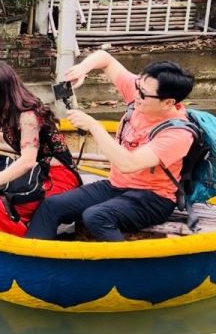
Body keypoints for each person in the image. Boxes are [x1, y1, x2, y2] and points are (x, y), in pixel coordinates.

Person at [26, 51, 195, 241]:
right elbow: (105, 58)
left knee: (96, 216)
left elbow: (128, 164)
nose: (136, 94)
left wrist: (93, 126)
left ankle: (125, 268)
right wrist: (83, 69)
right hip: (117, 185)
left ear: (168, 102)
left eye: (143, 94)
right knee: (51, 206)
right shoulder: (143, 92)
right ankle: (33, 263)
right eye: (137, 86)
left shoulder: (177, 133)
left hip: (153, 198)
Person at [0, 62, 82, 236]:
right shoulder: (13, 110)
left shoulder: (28, 115)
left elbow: (28, 160)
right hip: (36, 172)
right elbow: (21, 135)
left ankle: (22, 248)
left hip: (57, 177)